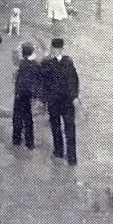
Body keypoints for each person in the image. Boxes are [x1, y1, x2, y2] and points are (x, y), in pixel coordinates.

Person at [42, 38, 79, 166]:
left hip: (54, 102)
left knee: (56, 127)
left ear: (54, 48)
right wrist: (74, 96)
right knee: (70, 129)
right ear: (61, 49)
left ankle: (58, 151)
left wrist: (45, 99)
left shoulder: (47, 64)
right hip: (67, 102)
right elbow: (75, 82)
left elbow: (44, 83)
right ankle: (72, 157)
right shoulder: (69, 63)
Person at [11, 43, 40, 150]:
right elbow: (38, 82)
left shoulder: (22, 63)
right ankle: (29, 142)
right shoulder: (36, 65)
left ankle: (16, 139)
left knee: (17, 116)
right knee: (28, 118)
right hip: (29, 95)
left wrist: (17, 47)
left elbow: (14, 59)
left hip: (20, 94)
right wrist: (36, 97)